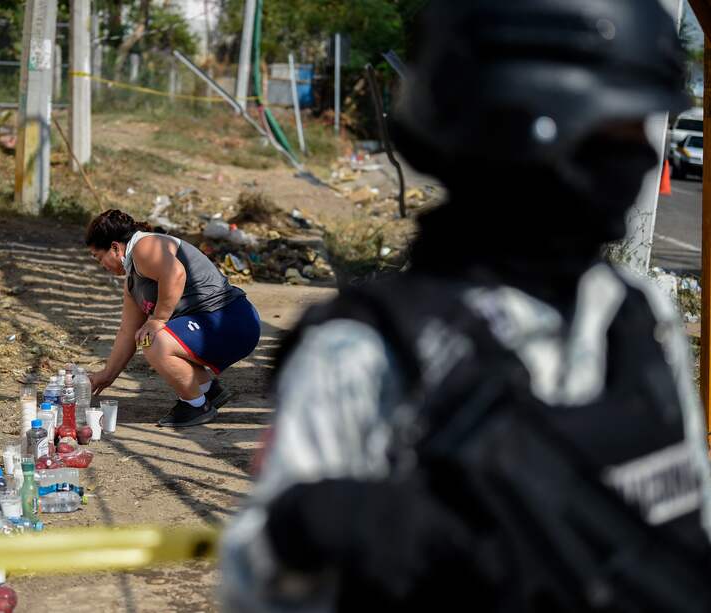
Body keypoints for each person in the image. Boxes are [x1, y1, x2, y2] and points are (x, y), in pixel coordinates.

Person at [221, 0, 711, 610]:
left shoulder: (635, 315)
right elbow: (259, 582)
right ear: (523, 124)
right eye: (619, 130)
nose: (641, 155)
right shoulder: (369, 351)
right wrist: (361, 531)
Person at [85, 209, 261, 428]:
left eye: (99, 258)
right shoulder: (133, 281)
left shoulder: (144, 247)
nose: (102, 266)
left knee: (153, 339)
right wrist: (107, 375)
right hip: (217, 323)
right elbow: (127, 332)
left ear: (114, 247)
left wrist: (157, 319)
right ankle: (207, 390)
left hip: (231, 319)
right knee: (148, 335)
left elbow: (175, 273)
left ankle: (195, 406)